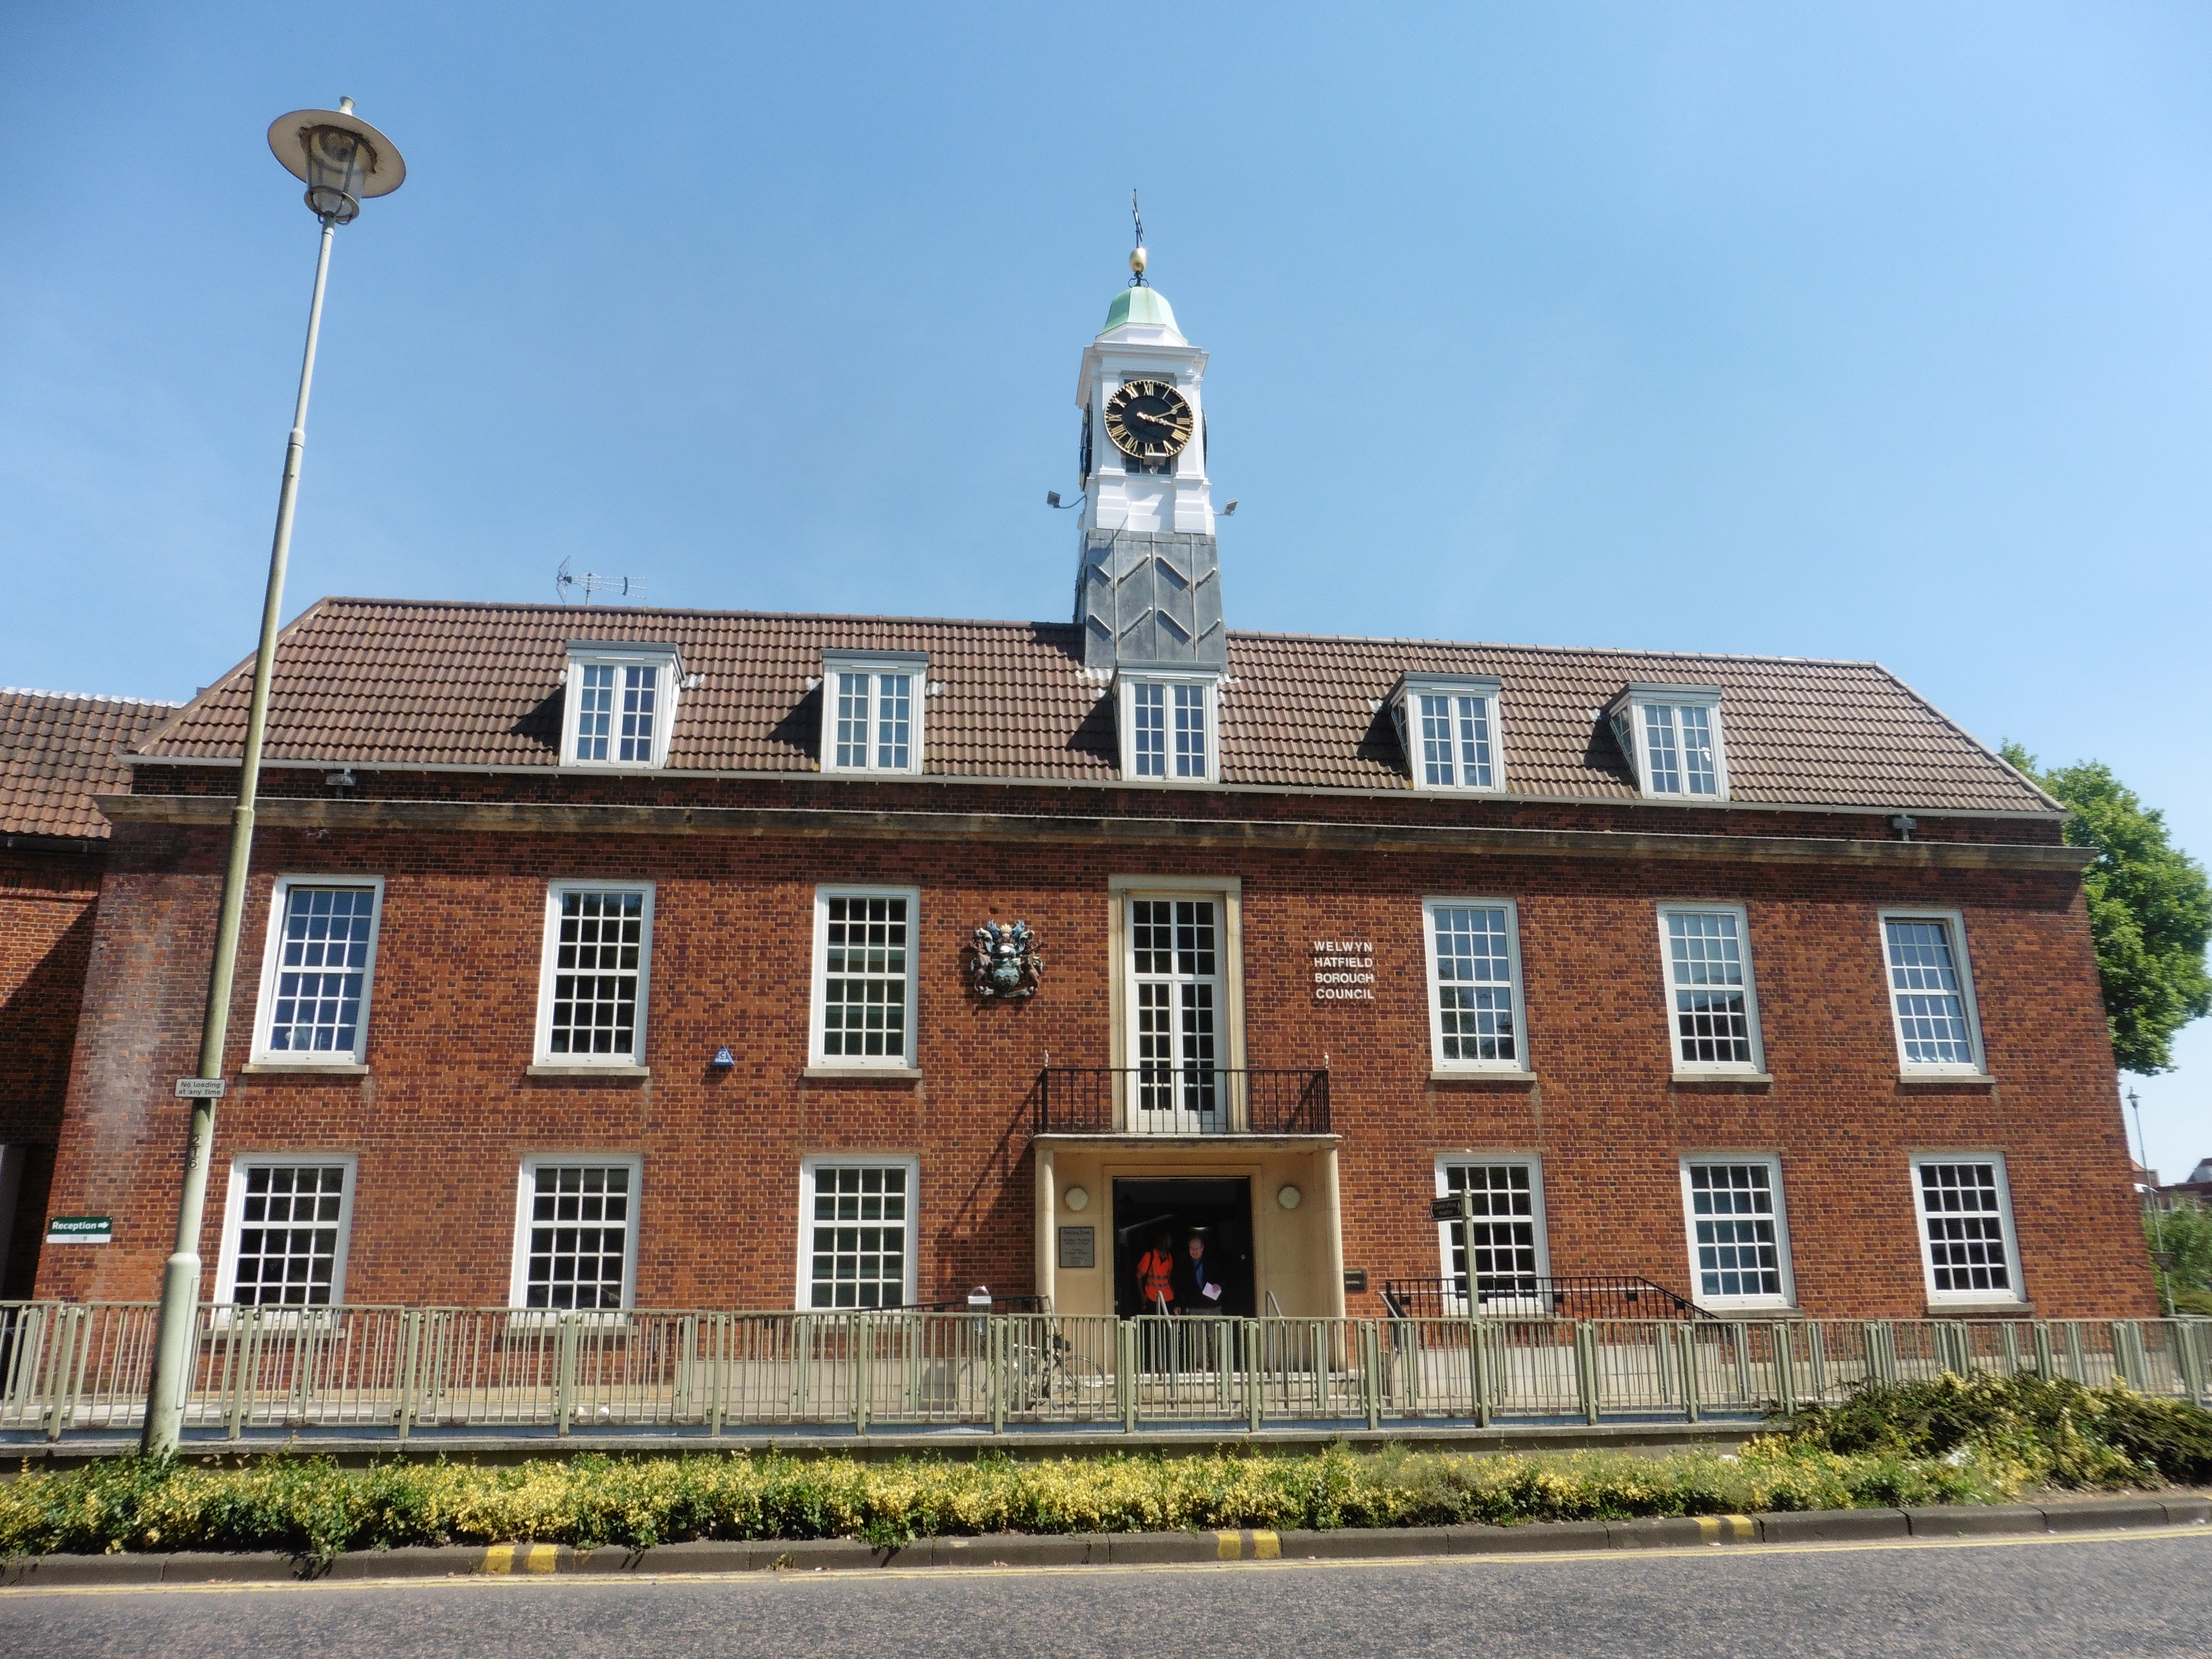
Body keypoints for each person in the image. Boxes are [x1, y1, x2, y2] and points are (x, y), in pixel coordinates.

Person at [1174, 1232, 1226, 1315]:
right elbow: (1179, 1286)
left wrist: (1219, 1285)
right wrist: (1177, 1304)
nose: (1194, 1251)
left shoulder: (1211, 1262)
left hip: (1213, 1307)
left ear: (1202, 1248)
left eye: (1197, 1249)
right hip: (1195, 1307)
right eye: (1192, 1248)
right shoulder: (1185, 1265)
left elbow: (1222, 1277)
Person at [1135, 1230, 1176, 1315]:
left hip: (1168, 1298)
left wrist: (1173, 1293)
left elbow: (1169, 1278)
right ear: (1164, 1241)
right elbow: (1139, 1276)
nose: (1171, 1242)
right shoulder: (1149, 1256)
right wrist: (1142, 1296)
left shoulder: (1169, 1257)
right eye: (1169, 1240)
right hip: (1152, 1298)